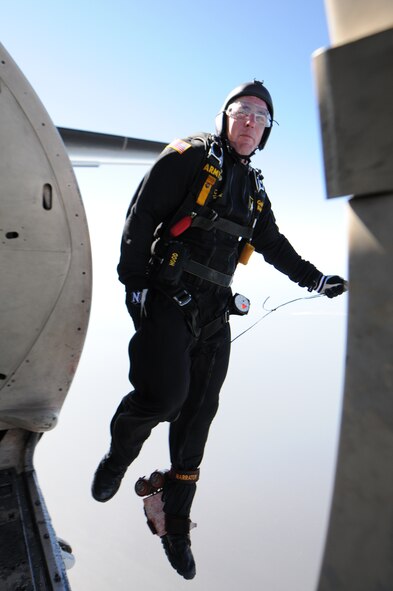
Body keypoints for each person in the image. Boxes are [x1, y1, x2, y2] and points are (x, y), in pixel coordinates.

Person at [92, 80, 347, 580]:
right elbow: (140, 215)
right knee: (162, 399)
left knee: (197, 422)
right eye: (243, 110)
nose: (252, 120)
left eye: (261, 116)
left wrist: (314, 278)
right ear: (225, 117)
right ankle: (118, 458)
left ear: (267, 131)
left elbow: (273, 244)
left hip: (213, 312)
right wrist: (135, 286)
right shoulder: (188, 157)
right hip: (166, 297)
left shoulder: (254, 190)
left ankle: (177, 524)